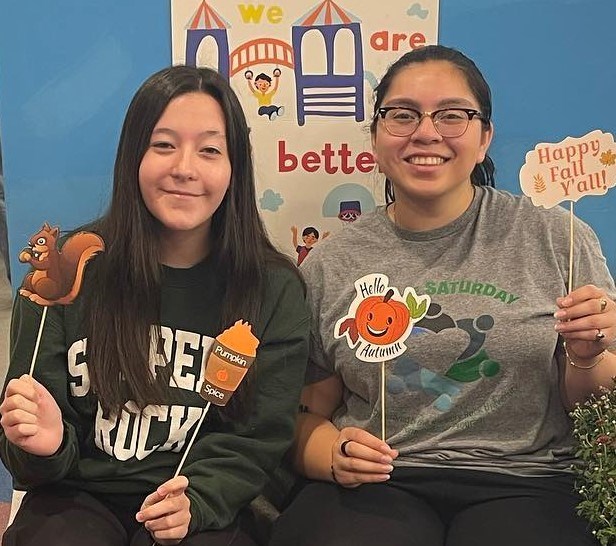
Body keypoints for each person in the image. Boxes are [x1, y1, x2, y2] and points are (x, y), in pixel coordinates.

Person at [268, 45, 616, 546]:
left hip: (527, 482)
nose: (425, 132)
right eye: (403, 115)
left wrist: (589, 354)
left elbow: (592, 406)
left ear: (484, 138)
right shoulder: (333, 260)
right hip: (379, 482)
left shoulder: (555, 237)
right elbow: (303, 417)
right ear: (376, 136)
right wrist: (334, 453)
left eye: (452, 115)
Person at [0, 65, 310, 546]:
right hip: (77, 496)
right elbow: (26, 448)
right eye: (163, 144)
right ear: (133, 158)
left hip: (198, 505)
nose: (184, 167)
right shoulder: (65, 267)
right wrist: (44, 445)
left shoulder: (273, 287)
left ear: (235, 168)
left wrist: (201, 500)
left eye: (210, 149)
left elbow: (258, 438)